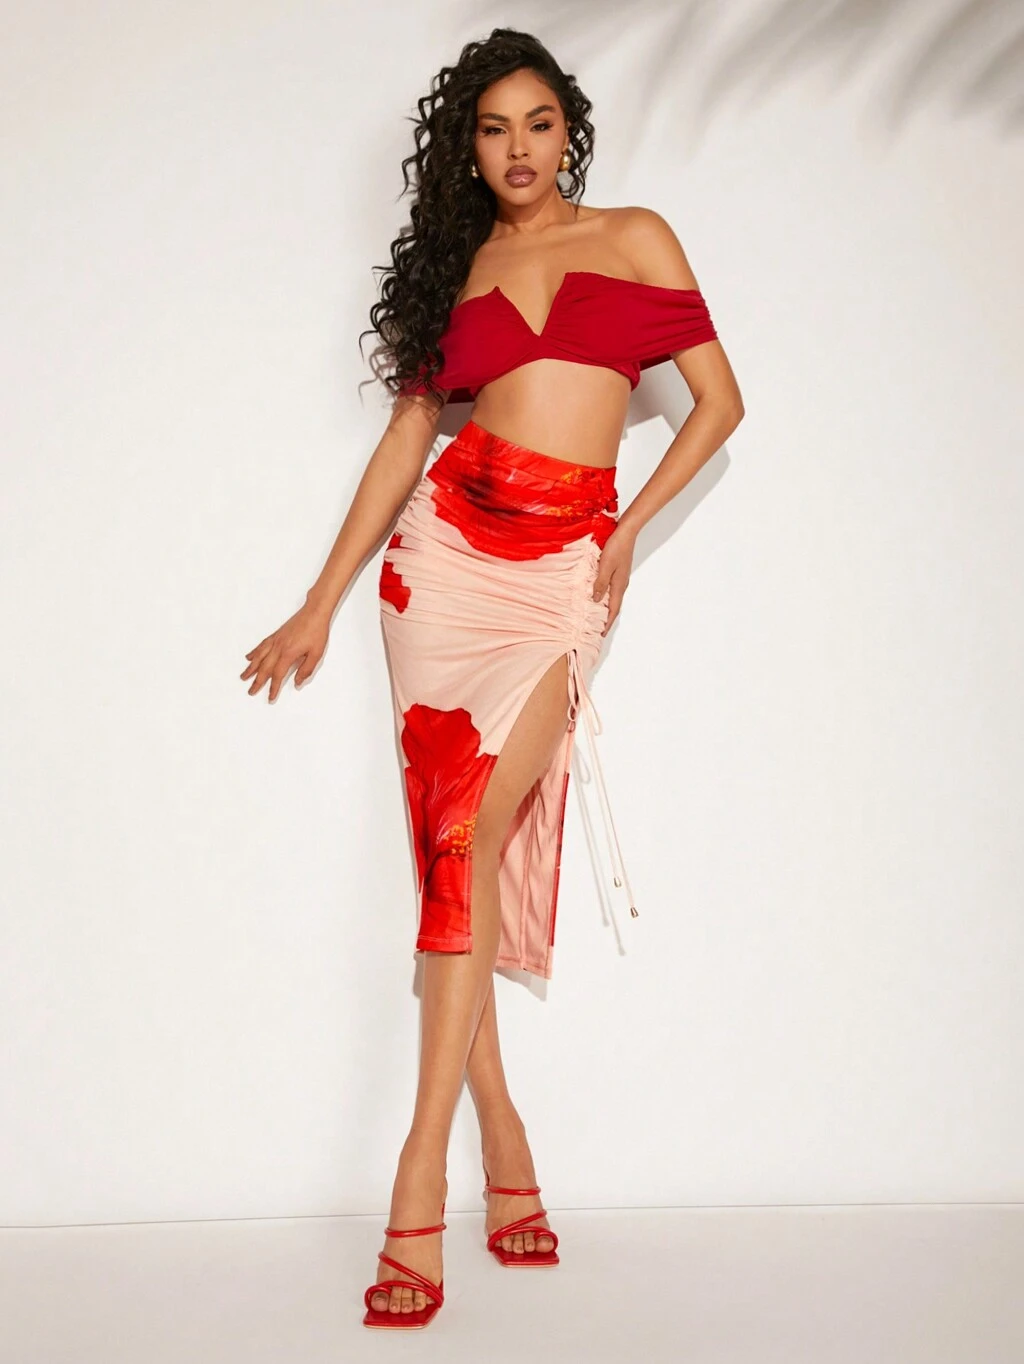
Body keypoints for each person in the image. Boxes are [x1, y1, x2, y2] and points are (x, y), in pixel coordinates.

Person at [240, 26, 744, 1331]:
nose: (518, 149)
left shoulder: (636, 237)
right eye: (491, 128)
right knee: (452, 855)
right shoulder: (461, 269)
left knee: (460, 845)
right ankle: (479, 1143)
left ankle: (436, 1161)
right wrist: (319, 600)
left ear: (570, 127)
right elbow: (410, 435)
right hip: (442, 565)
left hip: (560, 570)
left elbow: (719, 404)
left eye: (538, 122)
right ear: (467, 148)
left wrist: (627, 532)